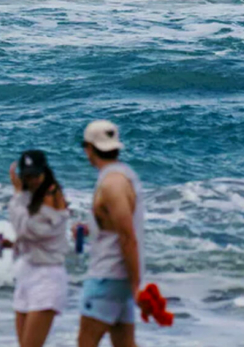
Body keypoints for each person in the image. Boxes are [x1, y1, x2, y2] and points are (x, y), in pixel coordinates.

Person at [78, 120, 150, 347]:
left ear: (89, 148)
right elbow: (116, 226)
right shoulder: (126, 175)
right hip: (120, 281)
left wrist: (136, 286)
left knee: (86, 343)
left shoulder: (112, 184)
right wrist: (91, 228)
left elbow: (127, 237)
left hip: (107, 277)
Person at [8, 149, 71, 347]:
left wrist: (18, 194)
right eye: (27, 176)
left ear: (44, 172)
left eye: (36, 175)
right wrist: (12, 244)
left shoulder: (52, 193)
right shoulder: (31, 197)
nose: (32, 180)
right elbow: (31, 234)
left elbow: (29, 228)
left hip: (48, 277)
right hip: (27, 272)